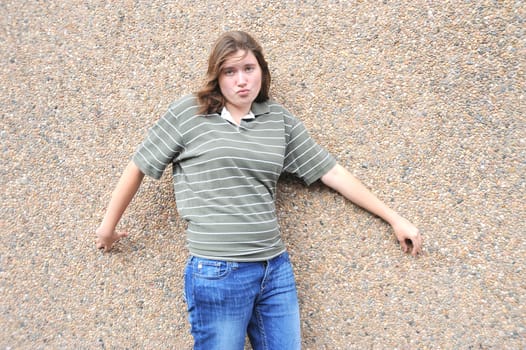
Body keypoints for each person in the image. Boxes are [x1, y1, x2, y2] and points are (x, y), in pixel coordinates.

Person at [96, 30, 422, 350]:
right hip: (218, 272)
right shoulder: (188, 114)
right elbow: (139, 165)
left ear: (262, 73)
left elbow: (332, 172)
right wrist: (107, 228)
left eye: (249, 69)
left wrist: (394, 218)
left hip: (274, 271)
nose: (242, 80)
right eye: (230, 71)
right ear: (217, 76)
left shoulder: (277, 120)